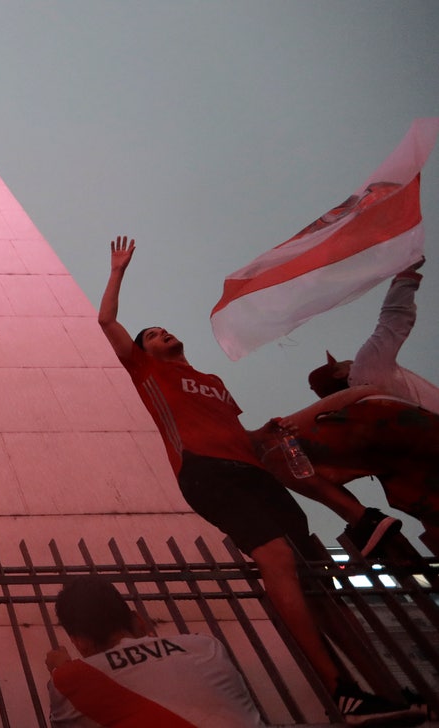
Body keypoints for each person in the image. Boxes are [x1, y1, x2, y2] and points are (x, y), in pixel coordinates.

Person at [97, 235, 423, 725]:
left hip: (252, 473)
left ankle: (376, 689)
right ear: (144, 351)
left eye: (165, 329)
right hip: (206, 474)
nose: (162, 334)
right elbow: (106, 322)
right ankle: (338, 690)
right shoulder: (146, 373)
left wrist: (266, 432)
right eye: (154, 334)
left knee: (314, 575)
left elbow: (239, 436)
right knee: (276, 559)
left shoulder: (213, 382)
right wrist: (119, 270)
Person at [301, 257, 437, 554]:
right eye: (340, 363)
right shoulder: (365, 371)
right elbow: (393, 321)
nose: (347, 360)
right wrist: (405, 275)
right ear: (340, 374)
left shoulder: (358, 428)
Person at [45, 575, 265, 727]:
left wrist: (61, 668)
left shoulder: (69, 680)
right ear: (139, 620)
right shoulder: (205, 646)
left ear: (80, 642)